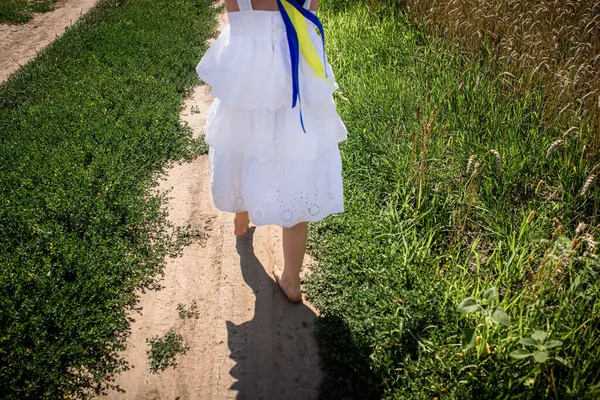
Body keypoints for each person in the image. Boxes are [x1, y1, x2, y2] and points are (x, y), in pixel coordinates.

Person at [196, 0, 346, 302]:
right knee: (295, 164)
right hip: (295, 83)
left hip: (247, 81)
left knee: (244, 145)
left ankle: (242, 219)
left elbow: (236, 18)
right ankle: (291, 278)